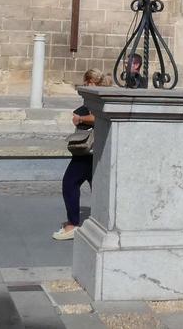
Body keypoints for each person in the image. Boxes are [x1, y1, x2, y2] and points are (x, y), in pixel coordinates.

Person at [53, 69, 103, 240]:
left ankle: (73, 224)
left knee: (70, 183)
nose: (86, 85)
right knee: (98, 187)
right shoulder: (97, 97)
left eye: (87, 82)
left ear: (90, 82)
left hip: (86, 151)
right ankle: (104, 220)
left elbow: (98, 117)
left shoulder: (97, 98)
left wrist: (80, 119)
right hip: (94, 151)